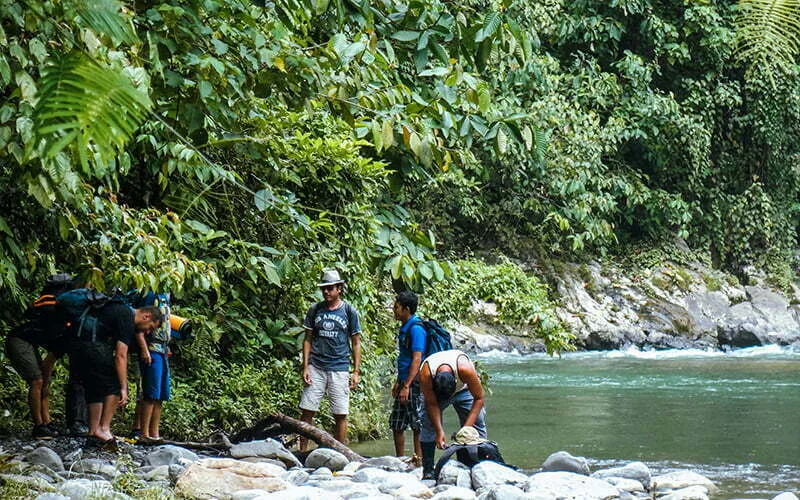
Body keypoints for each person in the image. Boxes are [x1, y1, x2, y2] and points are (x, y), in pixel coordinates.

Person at [67, 300, 163, 449]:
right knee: (114, 386)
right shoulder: (127, 317)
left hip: (77, 346)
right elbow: (120, 355)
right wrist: (123, 387)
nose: (148, 332)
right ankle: (103, 428)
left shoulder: (118, 309)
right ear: (146, 316)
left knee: (96, 389)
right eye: (150, 327)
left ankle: (93, 433)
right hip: (94, 346)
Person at [299, 269, 361, 450]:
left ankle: (340, 453)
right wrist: (305, 367)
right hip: (316, 366)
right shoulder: (315, 310)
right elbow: (307, 339)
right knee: (307, 410)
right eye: (323, 289)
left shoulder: (349, 311)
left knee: (340, 414)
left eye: (330, 288)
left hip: (339, 367)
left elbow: (356, 342)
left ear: (339, 289)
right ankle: (302, 452)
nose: (326, 292)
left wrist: (356, 372)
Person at [418, 349, 487, 480]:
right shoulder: (426, 374)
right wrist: (439, 432)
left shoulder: (465, 369)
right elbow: (432, 404)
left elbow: (479, 398)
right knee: (428, 423)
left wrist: (466, 429)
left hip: (464, 390)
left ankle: (479, 465)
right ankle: (428, 470)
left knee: (477, 423)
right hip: (436, 395)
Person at [390, 291, 426, 461]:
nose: (394, 310)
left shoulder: (416, 329)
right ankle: (400, 460)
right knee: (397, 423)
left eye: (397, 307)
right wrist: (399, 382)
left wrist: (407, 385)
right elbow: (404, 358)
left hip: (415, 384)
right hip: (404, 381)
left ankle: (418, 460)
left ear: (406, 309)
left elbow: (417, 359)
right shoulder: (405, 328)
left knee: (417, 423)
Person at [133, 294, 171, 443]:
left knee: (161, 394)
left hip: (163, 349)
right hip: (152, 348)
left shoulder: (166, 295)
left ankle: (154, 433)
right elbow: (140, 325)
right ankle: (144, 433)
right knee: (151, 392)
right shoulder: (151, 294)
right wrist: (144, 349)